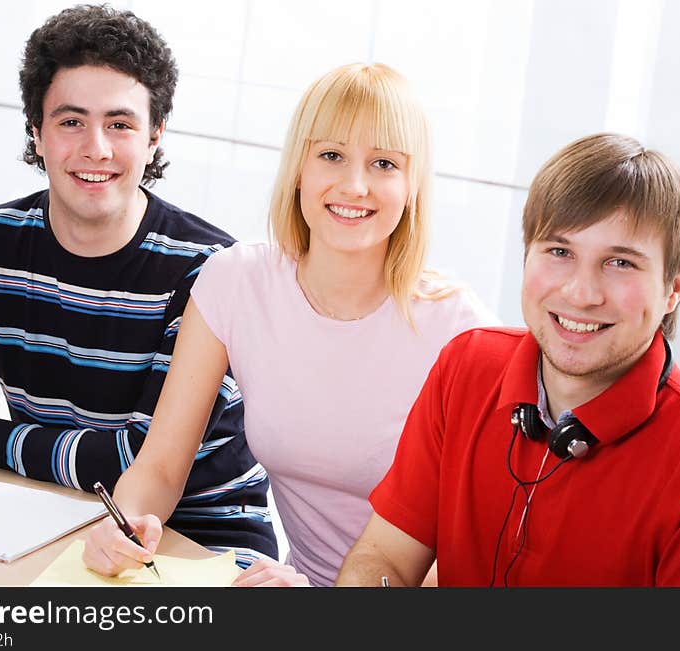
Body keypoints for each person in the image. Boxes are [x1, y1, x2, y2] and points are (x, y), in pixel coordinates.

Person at [81, 62, 498, 586]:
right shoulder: (236, 282)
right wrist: (124, 525)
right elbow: (161, 468)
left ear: (413, 184)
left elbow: (477, 555)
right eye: (331, 155)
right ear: (299, 166)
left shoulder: (461, 333)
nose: (354, 185)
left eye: (384, 164)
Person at [0, 5, 277, 563]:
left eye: (120, 124)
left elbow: (137, 462)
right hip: (45, 516)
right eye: (71, 121)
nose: (95, 147)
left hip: (202, 543)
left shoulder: (210, 271)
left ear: (154, 138)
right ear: (37, 133)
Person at [336, 133, 680, 587]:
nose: (580, 294)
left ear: (675, 286)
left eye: (621, 263)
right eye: (560, 252)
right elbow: (382, 556)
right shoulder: (466, 365)